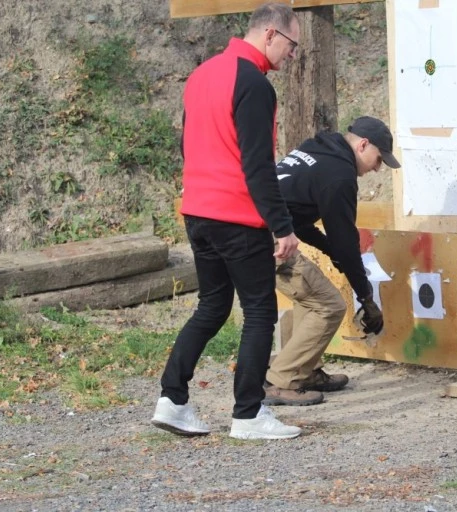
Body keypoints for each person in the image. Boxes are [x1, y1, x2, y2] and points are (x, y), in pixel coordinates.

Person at [152, 3, 303, 440]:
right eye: (292, 46)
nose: (292, 56)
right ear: (271, 34)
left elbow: (187, 145)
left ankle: (172, 399)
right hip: (236, 214)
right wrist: (282, 226)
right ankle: (248, 415)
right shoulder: (254, 83)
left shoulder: (202, 74)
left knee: (213, 307)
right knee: (259, 310)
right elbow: (259, 165)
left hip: (197, 209)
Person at [262, 116, 400, 406]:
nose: (376, 169)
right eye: (378, 160)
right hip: (266, 239)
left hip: (257, 230)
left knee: (311, 299)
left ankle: (305, 370)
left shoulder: (319, 148)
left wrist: (330, 251)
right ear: (363, 145)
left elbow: (297, 216)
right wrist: (366, 296)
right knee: (329, 306)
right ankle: (281, 380)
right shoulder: (339, 176)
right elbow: (346, 241)